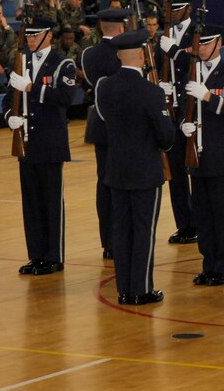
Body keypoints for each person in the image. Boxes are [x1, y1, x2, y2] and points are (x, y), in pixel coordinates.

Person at [96, 29, 175, 305]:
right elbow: (166, 137)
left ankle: (124, 289)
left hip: (116, 168)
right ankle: (141, 289)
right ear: (142, 56)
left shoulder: (105, 87)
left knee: (121, 229)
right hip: (144, 170)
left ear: (119, 56)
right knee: (143, 230)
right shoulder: (151, 92)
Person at [3, 16, 77, 276]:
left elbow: (66, 98)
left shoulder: (62, 64)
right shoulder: (21, 62)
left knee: (51, 202)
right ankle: (36, 255)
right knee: (31, 202)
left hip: (50, 142)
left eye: (35, 36)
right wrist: (8, 117)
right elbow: (8, 97)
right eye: (29, 36)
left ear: (48, 36)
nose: (31, 40)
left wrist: (32, 88)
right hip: (26, 143)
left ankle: (53, 256)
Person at [179, 24, 224, 285]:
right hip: (196, 157)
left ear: (218, 44)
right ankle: (208, 264)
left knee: (222, 215)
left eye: (206, 44)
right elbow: (181, 111)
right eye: (199, 45)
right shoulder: (191, 74)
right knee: (203, 215)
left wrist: (208, 97)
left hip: (223, 157)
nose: (201, 49)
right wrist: (182, 126)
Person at [81, 9, 128, 259]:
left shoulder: (90, 54)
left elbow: (90, 81)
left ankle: (109, 241)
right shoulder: (127, 52)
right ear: (121, 28)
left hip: (101, 125)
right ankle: (123, 236)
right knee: (125, 183)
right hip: (127, 126)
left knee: (105, 182)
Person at [157, 0, 198, 244]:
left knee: (194, 169)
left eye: (177, 9)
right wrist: (161, 86)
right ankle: (184, 224)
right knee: (174, 170)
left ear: (188, 9)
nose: (171, 13)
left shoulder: (197, 31)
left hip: (191, 107)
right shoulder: (165, 34)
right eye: (169, 9)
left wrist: (172, 50)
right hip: (170, 107)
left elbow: (194, 62)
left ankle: (200, 221)